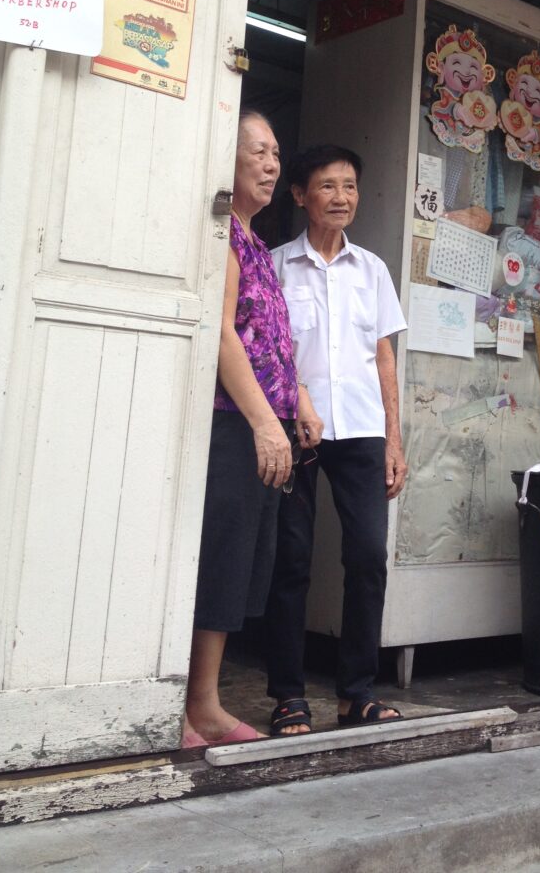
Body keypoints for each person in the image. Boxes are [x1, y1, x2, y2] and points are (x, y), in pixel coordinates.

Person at [183, 112, 323, 748]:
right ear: (228, 159)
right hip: (233, 426)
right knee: (221, 562)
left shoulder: (259, 244)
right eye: (258, 152)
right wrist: (266, 424)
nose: (271, 164)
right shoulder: (225, 239)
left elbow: (270, 342)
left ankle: (204, 704)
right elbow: (221, 336)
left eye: (276, 153)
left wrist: (299, 402)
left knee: (244, 565)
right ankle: (199, 708)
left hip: (266, 425)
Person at [264, 144, 407, 736]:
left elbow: (384, 357)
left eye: (349, 186)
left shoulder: (372, 269)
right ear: (300, 195)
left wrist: (395, 439)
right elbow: (268, 350)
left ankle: (358, 692)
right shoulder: (275, 265)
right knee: (291, 561)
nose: (342, 198)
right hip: (295, 430)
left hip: (363, 429)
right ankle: (288, 695)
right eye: (328, 186)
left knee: (368, 557)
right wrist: (290, 408)